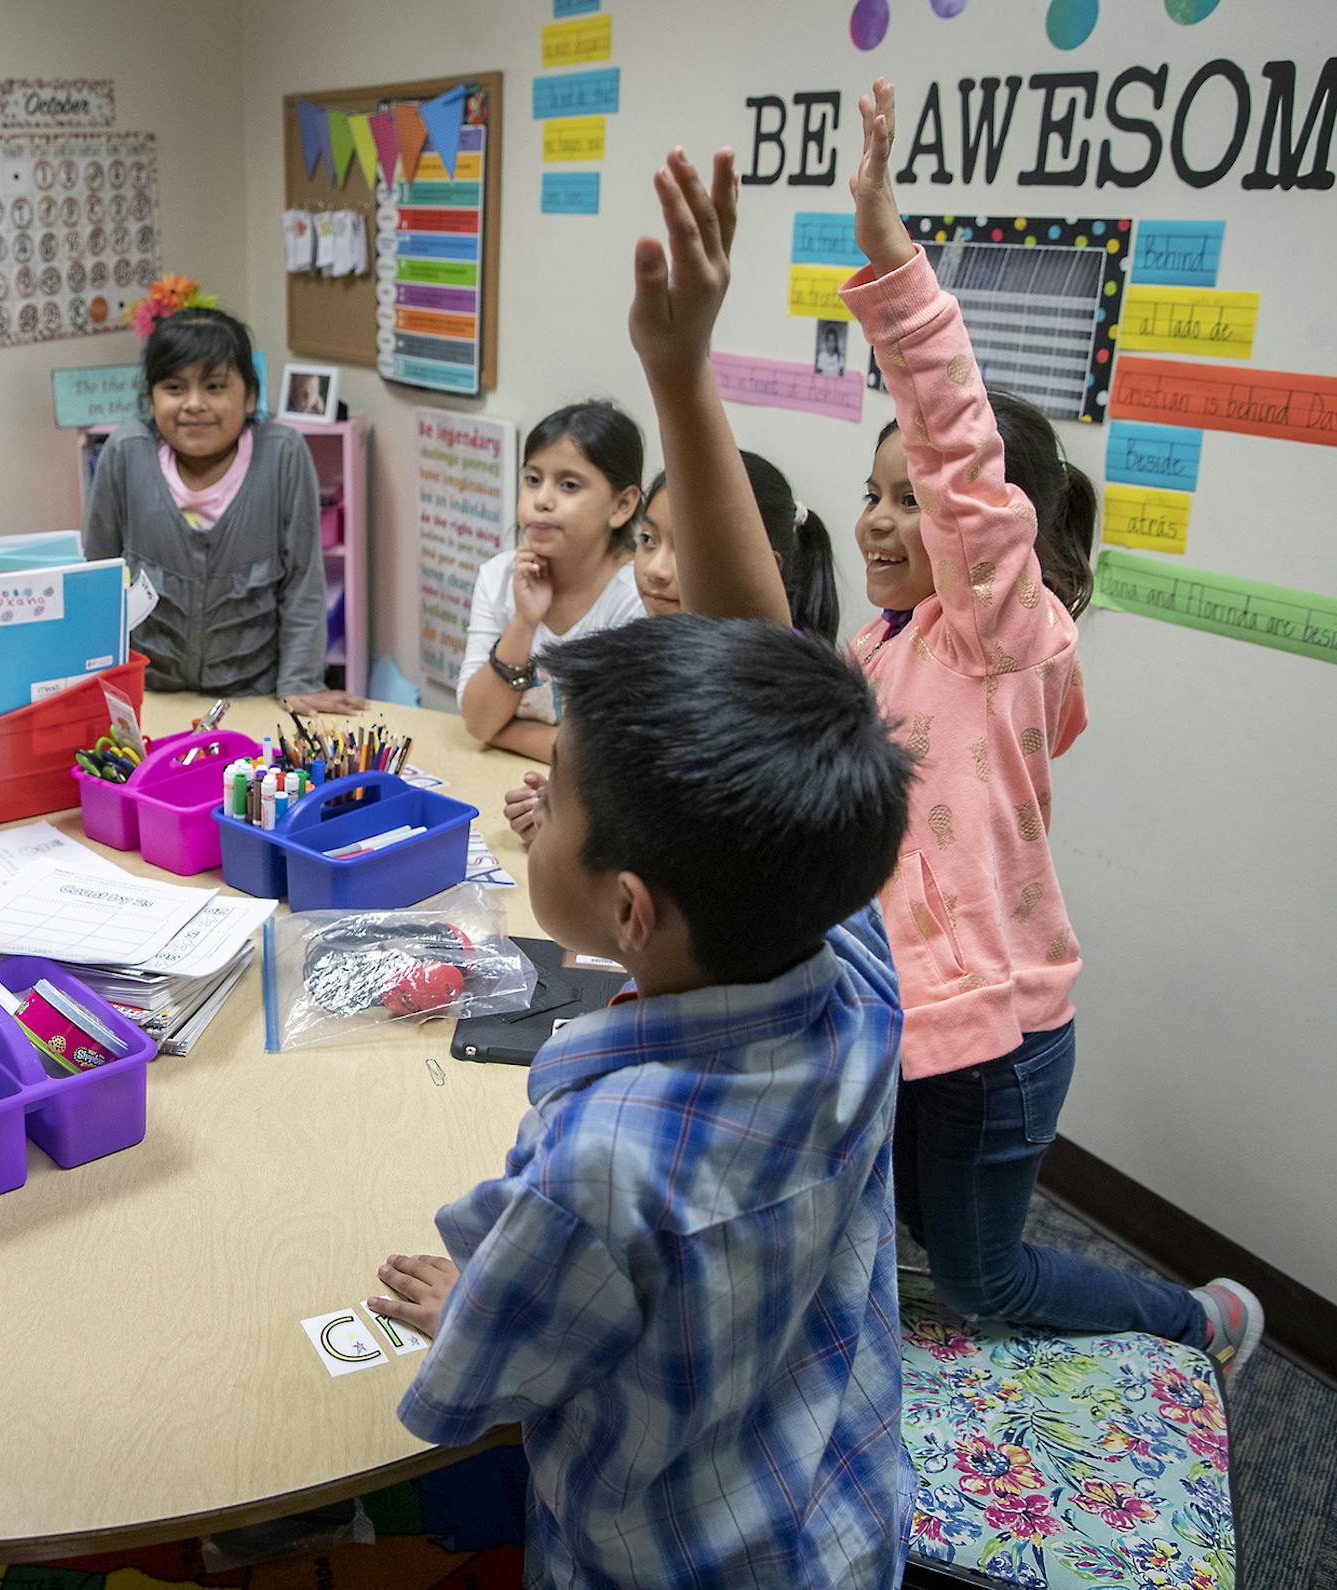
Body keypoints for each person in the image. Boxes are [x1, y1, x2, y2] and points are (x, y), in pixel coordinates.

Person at [368, 149, 915, 1590]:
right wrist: (683, 371)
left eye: (549, 803)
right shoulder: (845, 966)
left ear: (628, 908)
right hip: (842, 1517)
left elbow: (479, 1383)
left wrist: (470, 1300)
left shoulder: (598, 1175)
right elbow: (773, 667)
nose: (532, 798)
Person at [856, 84, 1260, 1369]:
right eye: (869, 495)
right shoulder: (887, 645)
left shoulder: (1007, 638)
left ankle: (1197, 1321)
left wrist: (889, 252)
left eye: (907, 499)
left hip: (1002, 1042)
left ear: (990, 532)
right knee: (923, 1225)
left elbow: (959, 454)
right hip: (914, 1024)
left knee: (988, 1284)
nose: (878, 521)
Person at [504, 450, 840, 839]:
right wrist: (566, 810)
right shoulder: (655, 655)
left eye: (691, 549)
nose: (657, 571)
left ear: (764, 568)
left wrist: (581, 829)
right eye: (648, 540)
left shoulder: (785, 696)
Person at [85, 307, 362, 713]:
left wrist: (300, 681)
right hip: (149, 690)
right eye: (174, 388)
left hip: (252, 695)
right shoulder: (126, 452)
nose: (194, 404)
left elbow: (303, 580)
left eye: (215, 387)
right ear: (150, 396)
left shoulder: (282, 455)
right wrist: (98, 680)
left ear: (250, 396)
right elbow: (97, 576)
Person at [455, 401, 648, 762]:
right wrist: (524, 622)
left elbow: (612, 754)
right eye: (532, 480)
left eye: (569, 485)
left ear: (622, 505)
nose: (542, 500)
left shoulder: (639, 597)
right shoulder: (498, 576)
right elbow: (478, 723)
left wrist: (503, 731)